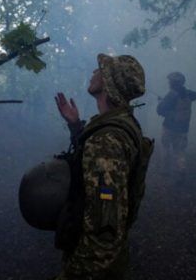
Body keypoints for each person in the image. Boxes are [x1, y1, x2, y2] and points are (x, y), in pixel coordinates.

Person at [52, 54, 153, 280]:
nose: (94, 73)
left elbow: (104, 229)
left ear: (108, 83)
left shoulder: (107, 140)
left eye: (100, 70)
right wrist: (76, 126)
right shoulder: (122, 124)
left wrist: (73, 274)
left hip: (96, 267)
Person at [157, 72, 196, 180]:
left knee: (165, 147)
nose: (168, 83)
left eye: (170, 81)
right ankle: (181, 169)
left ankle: (165, 171)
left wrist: (161, 102)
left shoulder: (171, 95)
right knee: (180, 150)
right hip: (183, 128)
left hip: (169, 127)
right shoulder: (189, 94)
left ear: (173, 83)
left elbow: (160, 110)